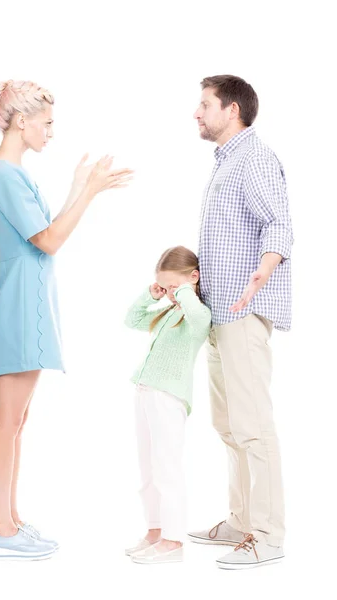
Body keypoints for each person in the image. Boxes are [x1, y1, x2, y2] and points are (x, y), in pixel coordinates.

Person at [0, 79, 133, 561]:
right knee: (6, 422)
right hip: (19, 305)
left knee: (16, 422)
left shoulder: (14, 173)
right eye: (47, 123)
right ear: (21, 120)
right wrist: (87, 193)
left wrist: (77, 189)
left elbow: (44, 233)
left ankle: (10, 522)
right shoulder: (4, 174)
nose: (51, 132)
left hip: (27, 302)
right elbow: (48, 241)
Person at [188, 75, 293, 570]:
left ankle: (269, 536)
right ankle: (242, 519)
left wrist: (263, 270)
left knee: (253, 428)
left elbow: (279, 224)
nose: (197, 113)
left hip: (244, 310)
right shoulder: (227, 162)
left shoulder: (254, 158)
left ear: (231, 110)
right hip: (218, 311)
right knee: (228, 424)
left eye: (204, 105)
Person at [124, 246, 211, 565]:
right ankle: (155, 530)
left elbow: (201, 319)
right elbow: (132, 319)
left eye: (175, 287)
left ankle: (173, 541)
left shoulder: (195, 313)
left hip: (168, 397)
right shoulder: (170, 310)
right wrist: (153, 294)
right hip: (146, 392)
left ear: (192, 279)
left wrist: (184, 291)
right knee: (148, 469)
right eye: (166, 287)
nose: (171, 293)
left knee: (166, 469)